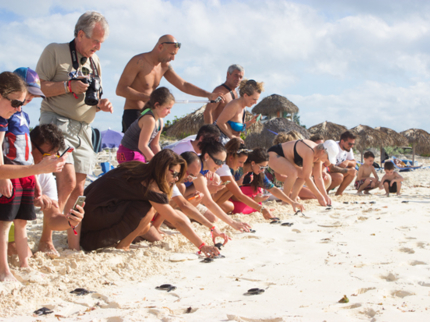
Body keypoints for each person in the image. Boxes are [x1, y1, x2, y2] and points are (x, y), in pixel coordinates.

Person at [36, 11, 113, 250]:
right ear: (80, 34)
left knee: (79, 188)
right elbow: (38, 87)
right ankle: (46, 239)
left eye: (102, 42)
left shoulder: (95, 61)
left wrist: (102, 104)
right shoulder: (55, 51)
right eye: (95, 41)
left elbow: (91, 97)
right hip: (57, 122)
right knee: (67, 181)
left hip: (84, 129)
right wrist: (68, 85)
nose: (98, 47)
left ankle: (73, 245)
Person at [80, 149, 220, 258]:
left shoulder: (140, 169)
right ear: (163, 168)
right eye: (175, 174)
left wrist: (211, 228)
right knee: (147, 208)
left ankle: (126, 239)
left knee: (150, 218)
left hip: (88, 214)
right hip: (95, 215)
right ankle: (124, 245)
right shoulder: (151, 185)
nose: (176, 178)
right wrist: (202, 246)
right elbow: (177, 221)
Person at [0, 72, 65, 282]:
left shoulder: (10, 117)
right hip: (11, 171)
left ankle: (22, 266)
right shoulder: (4, 118)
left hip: (21, 173)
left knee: (19, 223)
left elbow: (24, 154)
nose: (22, 106)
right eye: (18, 101)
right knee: (5, 224)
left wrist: (35, 176)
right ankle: (4, 271)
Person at [116, 34, 224, 132]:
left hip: (153, 114)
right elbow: (120, 90)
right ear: (160, 47)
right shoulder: (138, 61)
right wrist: (149, 97)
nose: (173, 58)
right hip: (134, 113)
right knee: (134, 152)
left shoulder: (164, 66)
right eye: (171, 54)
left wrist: (209, 95)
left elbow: (184, 85)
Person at [8, 124, 85, 258]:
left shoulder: (45, 174)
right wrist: (30, 198)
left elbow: (52, 219)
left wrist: (70, 221)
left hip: (13, 222)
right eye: (46, 154)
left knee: (25, 256)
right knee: (16, 253)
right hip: (5, 217)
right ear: (29, 145)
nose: (49, 159)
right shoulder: (12, 163)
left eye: (54, 155)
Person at [177, 140, 252, 232]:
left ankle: (186, 215)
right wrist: (232, 222)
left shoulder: (205, 168)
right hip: (174, 200)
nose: (220, 166)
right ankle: (176, 216)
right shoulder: (197, 169)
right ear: (207, 156)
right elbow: (209, 202)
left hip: (185, 198)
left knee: (213, 218)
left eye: (222, 162)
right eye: (218, 162)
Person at [213, 139, 277, 219]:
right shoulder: (223, 168)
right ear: (231, 157)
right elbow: (239, 196)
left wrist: (236, 184)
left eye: (243, 162)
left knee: (229, 202)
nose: (241, 165)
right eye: (240, 162)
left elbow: (234, 193)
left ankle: (210, 210)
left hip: (210, 199)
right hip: (205, 199)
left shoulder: (226, 168)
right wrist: (262, 209)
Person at [230, 148, 304, 214]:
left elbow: (273, 189)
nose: (263, 170)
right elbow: (234, 196)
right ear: (253, 163)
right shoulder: (236, 170)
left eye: (265, 167)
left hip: (248, 203)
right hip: (235, 202)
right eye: (261, 167)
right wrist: (254, 199)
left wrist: (292, 202)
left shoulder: (258, 173)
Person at [268, 138, 339, 207]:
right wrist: (319, 196)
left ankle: (293, 198)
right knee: (293, 173)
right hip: (274, 154)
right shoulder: (310, 151)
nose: (327, 160)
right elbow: (307, 177)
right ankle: (285, 201)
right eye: (328, 158)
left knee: (303, 173)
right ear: (322, 151)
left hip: (287, 159)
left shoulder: (319, 156)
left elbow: (318, 177)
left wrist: (325, 195)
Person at [117, 87, 173, 163]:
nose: (169, 112)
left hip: (136, 152)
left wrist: (162, 161)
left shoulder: (160, 121)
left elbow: (155, 145)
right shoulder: (149, 119)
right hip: (127, 152)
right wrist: (156, 163)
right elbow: (142, 146)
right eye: (167, 108)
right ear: (157, 105)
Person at [214, 79, 263, 144]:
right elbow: (220, 122)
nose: (255, 102)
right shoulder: (234, 105)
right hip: (219, 142)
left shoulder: (244, 108)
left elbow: (240, 128)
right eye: (254, 99)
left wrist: (251, 122)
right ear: (245, 95)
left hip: (230, 142)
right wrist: (232, 137)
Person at [327, 131, 357, 196]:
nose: (351, 146)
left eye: (353, 144)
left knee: (353, 170)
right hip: (326, 172)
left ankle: (339, 192)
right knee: (339, 177)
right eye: (350, 144)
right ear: (342, 141)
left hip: (336, 171)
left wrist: (348, 162)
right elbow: (331, 168)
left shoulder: (348, 148)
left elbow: (354, 163)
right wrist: (347, 170)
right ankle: (325, 191)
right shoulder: (334, 147)